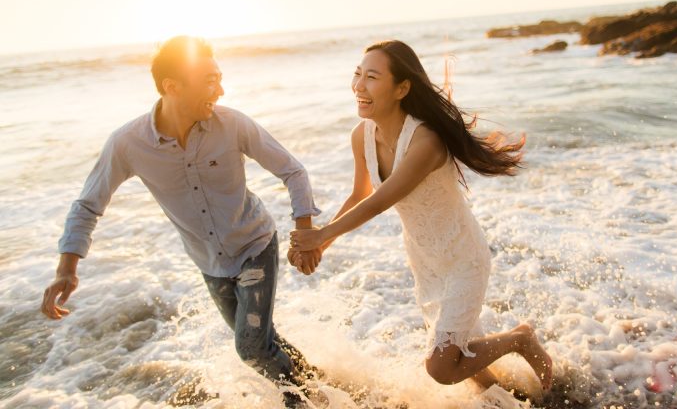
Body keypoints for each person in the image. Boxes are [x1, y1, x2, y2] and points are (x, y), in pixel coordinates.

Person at [40, 35, 324, 395]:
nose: (220, 90)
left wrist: (305, 233)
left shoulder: (233, 125)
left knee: (250, 347)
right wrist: (66, 269)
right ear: (171, 87)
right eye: (210, 81)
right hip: (210, 264)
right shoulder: (127, 143)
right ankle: (324, 387)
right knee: (261, 342)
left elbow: (293, 171)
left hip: (255, 245)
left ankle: (307, 402)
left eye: (219, 78)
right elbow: (87, 205)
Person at [288, 40, 553, 392]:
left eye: (371, 77)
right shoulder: (361, 135)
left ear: (402, 88)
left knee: (443, 366)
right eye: (357, 75)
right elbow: (359, 195)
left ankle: (520, 338)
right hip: (425, 260)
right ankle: (507, 399)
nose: (359, 86)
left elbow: (381, 201)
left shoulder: (425, 141)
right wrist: (323, 241)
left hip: (463, 257)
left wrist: (319, 236)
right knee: (467, 365)